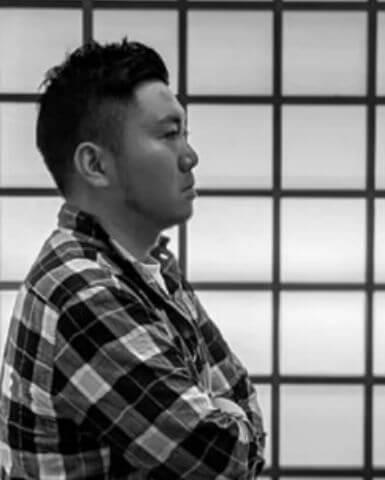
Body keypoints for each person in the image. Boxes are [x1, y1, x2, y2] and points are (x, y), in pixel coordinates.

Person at [0, 39, 266, 479]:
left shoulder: (144, 263)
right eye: (168, 135)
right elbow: (222, 458)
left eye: (185, 134)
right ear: (95, 165)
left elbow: (239, 398)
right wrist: (224, 413)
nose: (190, 156)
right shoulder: (84, 293)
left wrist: (228, 415)